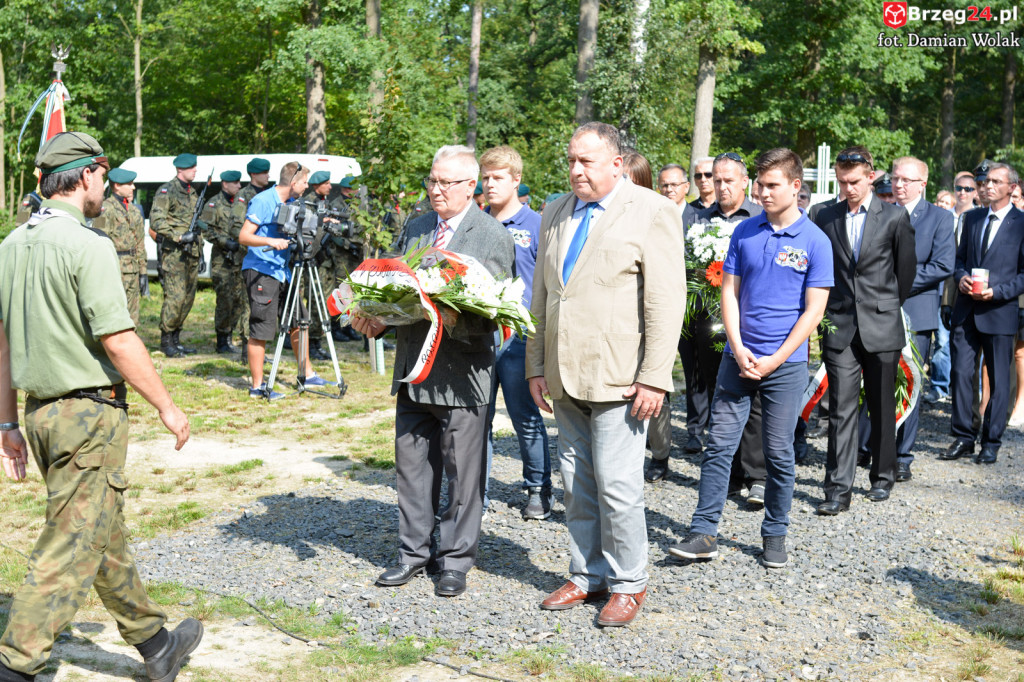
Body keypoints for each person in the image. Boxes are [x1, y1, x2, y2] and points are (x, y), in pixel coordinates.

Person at [0, 131, 202, 682]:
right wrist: (166, 406)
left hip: (42, 416)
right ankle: (16, 665)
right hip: (87, 418)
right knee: (69, 543)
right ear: (87, 174)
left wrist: (8, 421)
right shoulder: (88, 245)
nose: (105, 189)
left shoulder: (12, 244)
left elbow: (3, 344)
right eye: (103, 177)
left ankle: (156, 645)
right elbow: (118, 338)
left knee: (98, 527)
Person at [526, 122, 685, 627]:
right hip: (564, 372)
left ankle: (629, 582)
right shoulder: (555, 210)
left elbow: (666, 301)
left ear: (617, 164)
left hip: (622, 377)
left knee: (618, 486)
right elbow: (544, 294)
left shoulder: (652, 211)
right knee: (576, 483)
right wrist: (536, 365)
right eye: (571, 160)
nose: (576, 170)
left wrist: (655, 376)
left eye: (587, 161)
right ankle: (587, 573)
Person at [355, 145, 514, 598]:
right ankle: (412, 554)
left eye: (446, 182)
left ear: (471, 186)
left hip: (462, 375)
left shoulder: (491, 235)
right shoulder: (418, 226)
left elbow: (493, 312)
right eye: (432, 180)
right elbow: (398, 283)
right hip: (414, 371)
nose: (436, 189)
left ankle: (455, 560)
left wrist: (447, 312)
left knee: (463, 474)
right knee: (411, 468)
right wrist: (378, 315)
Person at [669, 148, 832, 568]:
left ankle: (775, 534)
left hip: (785, 365)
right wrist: (738, 347)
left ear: (796, 186)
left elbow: (814, 311)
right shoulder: (744, 232)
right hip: (737, 358)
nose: (763, 192)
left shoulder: (815, 241)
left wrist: (776, 359)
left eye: (772, 185)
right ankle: (704, 532)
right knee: (719, 445)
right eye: (760, 184)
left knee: (778, 453)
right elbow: (729, 291)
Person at [812, 146, 915, 514]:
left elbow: (905, 274)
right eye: (842, 182)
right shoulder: (823, 214)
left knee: (881, 404)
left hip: (881, 325)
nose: (848, 188)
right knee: (840, 409)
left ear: (871, 177)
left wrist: (884, 306)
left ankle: (882, 476)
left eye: (854, 181)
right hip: (839, 326)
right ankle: (837, 490)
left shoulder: (895, 217)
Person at [660, 153, 766, 501]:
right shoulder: (696, 220)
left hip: (751, 323)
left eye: (728, 180)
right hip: (708, 324)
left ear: (745, 182)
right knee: (721, 398)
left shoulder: (760, 217)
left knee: (753, 399)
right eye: (716, 181)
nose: (720, 187)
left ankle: (757, 473)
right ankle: (731, 473)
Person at [479, 145, 552, 519]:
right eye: (485, 177)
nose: (489, 184)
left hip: (521, 336)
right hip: (479, 336)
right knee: (477, 419)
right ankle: (474, 494)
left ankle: (538, 488)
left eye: (498, 177)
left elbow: (548, 285)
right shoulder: (475, 223)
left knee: (525, 416)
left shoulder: (537, 225)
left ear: (516, 180)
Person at [944, 163, 1024, 464]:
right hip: (967, 310)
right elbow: (959, 259)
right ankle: (964, 436)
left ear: (1012, 187)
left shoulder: (1021, 223)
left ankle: (991, 441)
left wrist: (998, 292)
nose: (987, 186)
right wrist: (961, 277)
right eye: (986, 181)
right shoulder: (973, 218)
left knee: (1000, 380)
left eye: (995, 181)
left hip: (1000, 310)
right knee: (961, 373)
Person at [238, 162, 335, 399]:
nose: (306, 187)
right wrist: (270, 241)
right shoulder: (263, 201)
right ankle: (257, 387)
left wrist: (322, 222)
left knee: (299, 321)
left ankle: (307, 374)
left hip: (283, 272)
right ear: (293, 183)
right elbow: (244, 236)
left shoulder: (292, 202)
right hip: (262, 271)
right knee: (261, 328)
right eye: (304, 183)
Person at [885, 157, 954, 481]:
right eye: (895, 178)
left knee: (908, 382)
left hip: (916, 311)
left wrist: (895, 282)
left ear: (922, 184)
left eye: (906, 180)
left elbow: (942, 265)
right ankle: (872, 446)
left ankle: (902, 455)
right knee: (876, 381)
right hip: (877, 311)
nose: (899, 184)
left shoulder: (939, 217)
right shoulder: (881, 212)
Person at [930, 171, 981, 404]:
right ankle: (940, 386)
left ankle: (969, 392)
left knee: (969, 349)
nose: (962, 193)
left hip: (971, 290)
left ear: (975, 192)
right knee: (942, 342)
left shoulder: (979, 217)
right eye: (959, 188)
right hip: (943, 288)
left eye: (968, 189)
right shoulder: (943, 216)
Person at [150, 153, 203, 358]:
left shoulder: (193, 193)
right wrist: (178, 237)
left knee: (188, 298)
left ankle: (176, 339)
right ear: (180, 169)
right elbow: (157, 221)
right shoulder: (167, 191)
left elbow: (196, 224)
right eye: (191, 168)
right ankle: (166, 340)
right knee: (175, 298)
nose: (195, 170)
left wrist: (200, 250)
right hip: (174, 254)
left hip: (192, 253)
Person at [201, 170, 247, 355]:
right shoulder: (214, 204)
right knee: (224, 300)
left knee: (238, 300)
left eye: (239, 182)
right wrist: (223, 242)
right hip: (222, 260)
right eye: (235, 183)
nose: (239, 186)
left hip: (240, 258)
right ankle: (222, 339)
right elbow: (205, 228)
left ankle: (230, 336)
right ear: (225, 184)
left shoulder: (241, 203)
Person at [96, 167, 147, 327]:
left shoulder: (134, 210)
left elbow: (140, 243)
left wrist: (143, 272)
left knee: (133, 315)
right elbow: (99, 242)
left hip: (133, 269)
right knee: (114, 314)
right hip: (115, 269)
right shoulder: (105, 209)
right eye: (129, 184)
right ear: (117, 186)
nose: (133, 187)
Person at [302, 170, 343, 359]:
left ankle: (317, 342)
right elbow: (306, 228)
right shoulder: (308, 202)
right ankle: (311, 343)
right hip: (313, 260)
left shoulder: (324, 202)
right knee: (314, 301)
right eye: (326, 183)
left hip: (325, 261)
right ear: (317, 185)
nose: (330, 186)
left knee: (324, 301)